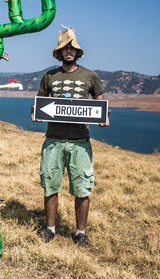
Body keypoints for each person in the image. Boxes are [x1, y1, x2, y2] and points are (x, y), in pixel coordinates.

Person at [31, 26, 109, 247]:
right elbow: (39, 103)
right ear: (59, 52)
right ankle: (50, 229)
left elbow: (100, 101)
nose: (68, 51)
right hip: (53, 141)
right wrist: (34, 112)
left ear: (77, 52)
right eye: (65, 48)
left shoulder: (89, 76)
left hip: (80, 143)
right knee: (50, 185)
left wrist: (104, 115)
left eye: (72, 48)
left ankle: (80, 232)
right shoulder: (50, 76)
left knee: (82, 189)